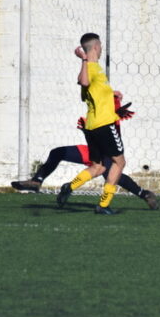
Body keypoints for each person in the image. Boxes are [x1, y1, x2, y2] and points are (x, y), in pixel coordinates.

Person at [11, 102, 159, 210]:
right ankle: (37, 181)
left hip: (107, 154)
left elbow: (108, 125)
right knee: (57, 152)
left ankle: (144, 194)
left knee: (112, 173)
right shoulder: (98, 111)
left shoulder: (109, 113)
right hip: (93, 151)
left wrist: (114, 111)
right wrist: (86, 129)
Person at [55, 33, 127, 215]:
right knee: (119, 163)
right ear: (96, 47)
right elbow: (84, 81)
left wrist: (111, 94)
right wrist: (84, 60)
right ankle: (103, 205)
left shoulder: (94, 69)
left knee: (98, 166)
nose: (101, 49)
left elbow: (87, 92)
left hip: (92, 126)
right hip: (104, 125)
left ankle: (70, 187)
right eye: (100, 46)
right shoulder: (91, 67)